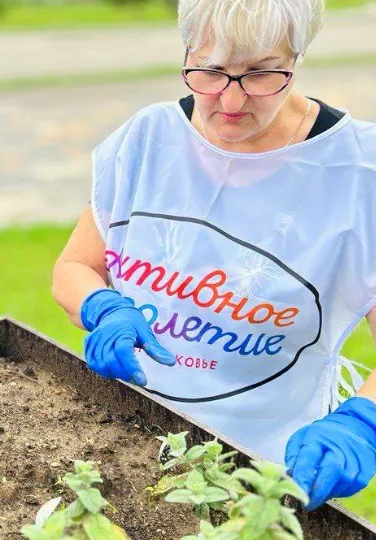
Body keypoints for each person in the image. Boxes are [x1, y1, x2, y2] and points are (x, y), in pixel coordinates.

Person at [51, 0, 376, 510]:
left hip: (262, 471)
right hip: (126, 441)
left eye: (261, 74)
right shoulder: (149, 138)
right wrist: (102, 307)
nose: (230, 100)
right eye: (210, 70)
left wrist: (363, 422)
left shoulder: (358, 173)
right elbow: (75, 267)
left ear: (297, 58)